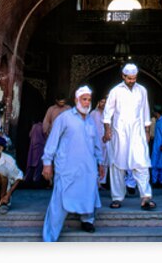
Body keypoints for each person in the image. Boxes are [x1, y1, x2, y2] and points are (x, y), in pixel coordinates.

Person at [41, 86, 105, 242]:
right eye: (84, 99)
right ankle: (50, 237)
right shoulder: (65, 118)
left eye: (89, 99)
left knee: (88, 193)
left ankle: (87, 221)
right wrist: (47, 163)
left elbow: (96, 143)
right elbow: (53, 140)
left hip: (88, 168)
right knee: (59, 201)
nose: (87, 102)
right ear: (77, 100)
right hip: (67, 167)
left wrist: (101, 163)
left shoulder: (90, 120)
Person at [103, 63, 155, 210]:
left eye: (134, 78)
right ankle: (117, 198)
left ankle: (146, 197)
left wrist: (147, 131)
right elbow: (108, 113)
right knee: (117, 164)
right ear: (123, 76)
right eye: (130, 78)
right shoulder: (115, 91)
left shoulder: (142, 90)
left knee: (142, 163)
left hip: (137, 132)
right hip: (119, 133)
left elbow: (145, 111)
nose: (132, 80)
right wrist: (107, 130)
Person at [90, 97, 110, 189]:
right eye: (102, 102)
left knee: (105, 161)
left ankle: (102, 182)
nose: (103, 104)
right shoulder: (93, 113)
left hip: (106, 141)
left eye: (105, 102)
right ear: (98, 102)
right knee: (95, 161)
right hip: (95, 141)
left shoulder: (108, 114)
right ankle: (94, 181)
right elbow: (89, 126)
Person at [150, 104, 162, 186]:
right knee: (154, 163)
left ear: (156, 112)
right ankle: (155, 181)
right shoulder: (156, 121)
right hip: (155, 145)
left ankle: (161, 182)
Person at [24, 119, 47, 184]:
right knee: (39, 164)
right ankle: (36, 179)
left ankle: (27, 179)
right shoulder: (43, 126)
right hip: (40, 147)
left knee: (30, 163)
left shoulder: (34, 126)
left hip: (33, 147)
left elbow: (30, 135)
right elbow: (46, 135)